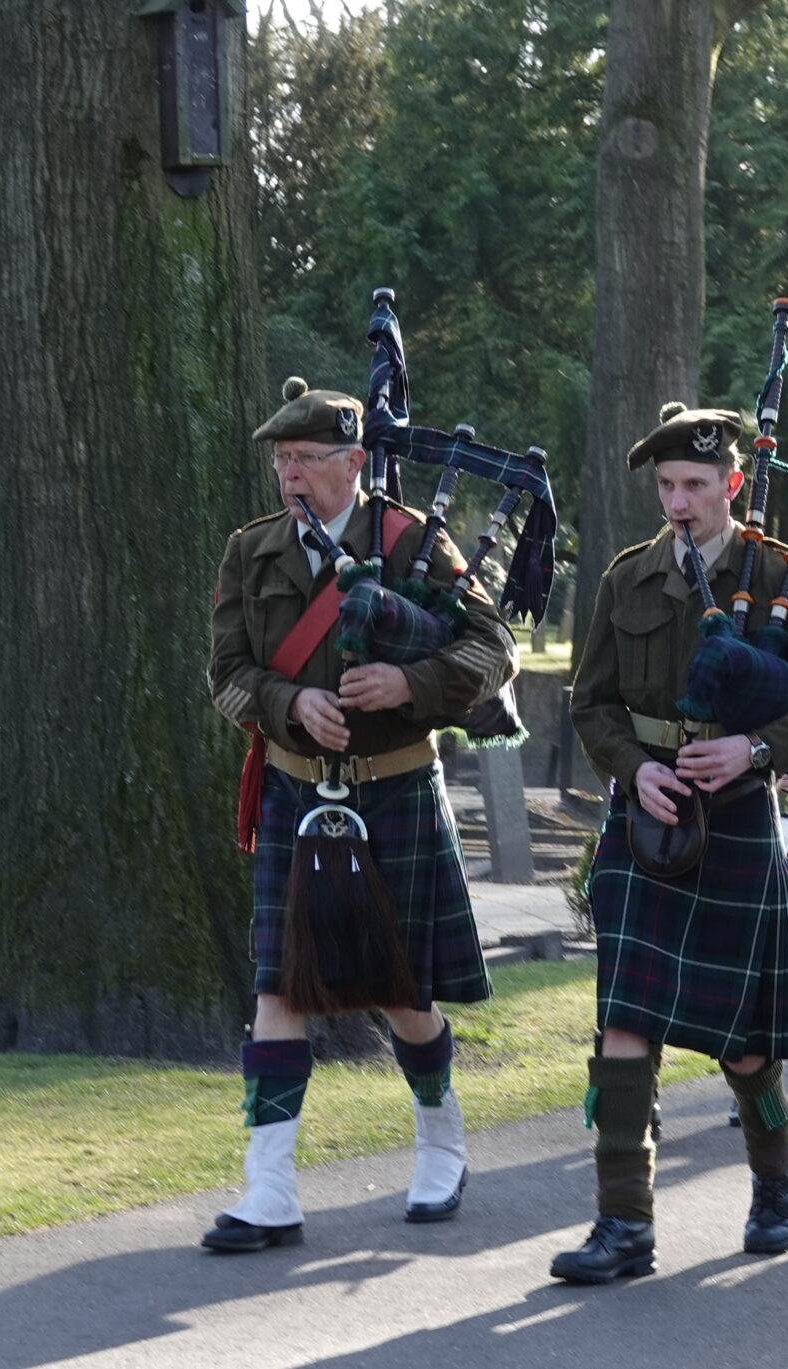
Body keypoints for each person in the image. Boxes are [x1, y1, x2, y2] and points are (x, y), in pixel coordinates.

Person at [555, 404, 788, 1283]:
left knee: (744, 1046)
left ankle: (774, 1181)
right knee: (623, 1024)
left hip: (733, 815)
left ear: (731, 483)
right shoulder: (628, 578)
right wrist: (632, 769)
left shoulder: (778, 577)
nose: (679, 502)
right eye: (667, 486)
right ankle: (623, 1223)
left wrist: (758, 749)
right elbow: (591, 703)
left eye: (695, 484)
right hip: (646, 820)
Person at [202, 378, 519, 1253]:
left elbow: (495, 649)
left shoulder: (414, 542)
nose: (289, 475)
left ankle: (442, 1139)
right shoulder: (251, 551)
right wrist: (290, 704)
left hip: (394, 788)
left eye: (306, 459)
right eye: (281, 460)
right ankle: (269, 1188)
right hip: (296, 789)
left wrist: (409, 683)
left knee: (401, 992)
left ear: (353, 462)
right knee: (278, 985)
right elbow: (226, 675)